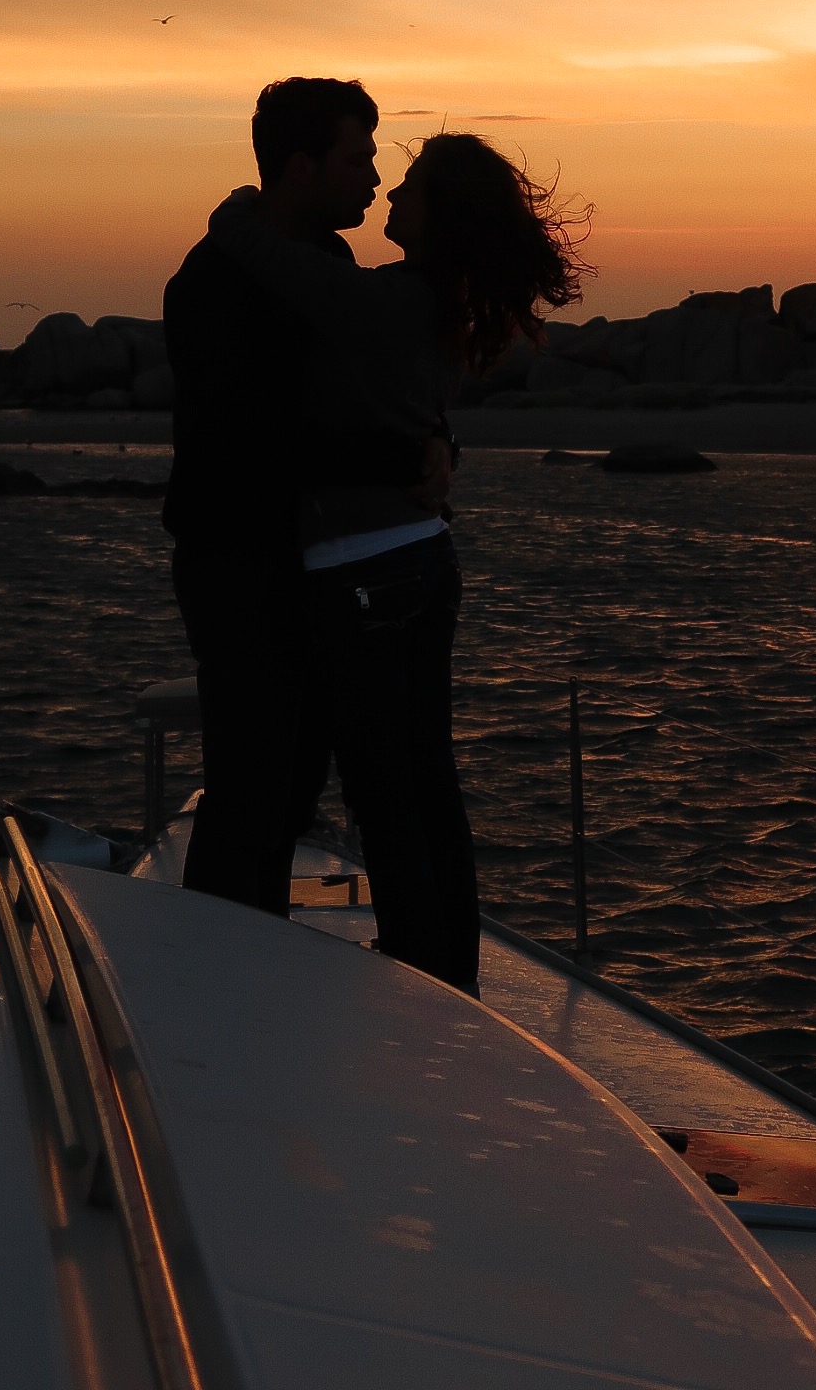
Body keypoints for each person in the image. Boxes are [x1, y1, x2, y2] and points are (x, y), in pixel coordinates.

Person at [206, 130, 587, 993]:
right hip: (419, 560)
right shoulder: (432, 301)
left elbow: (273, 260)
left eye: (409, 184)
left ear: (440, 213)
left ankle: (423, 980)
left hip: (363, 574)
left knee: (387, 795)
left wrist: (236, 208)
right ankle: (452, 977)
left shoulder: (389, 300)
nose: (389, 194)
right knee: (427, 786)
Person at [162, 77, 452, 913]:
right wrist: (408, 455)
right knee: (252, 790)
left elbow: (372, 388)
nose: (374, 178)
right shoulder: (212, 285)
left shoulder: (326, 261)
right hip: (240, 567)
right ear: (300, 167)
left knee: (291, 791)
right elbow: (262, 439)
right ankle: (221, 959)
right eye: (357, 159)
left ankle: (254, 953)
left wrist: (436, 442)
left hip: (314, 567)